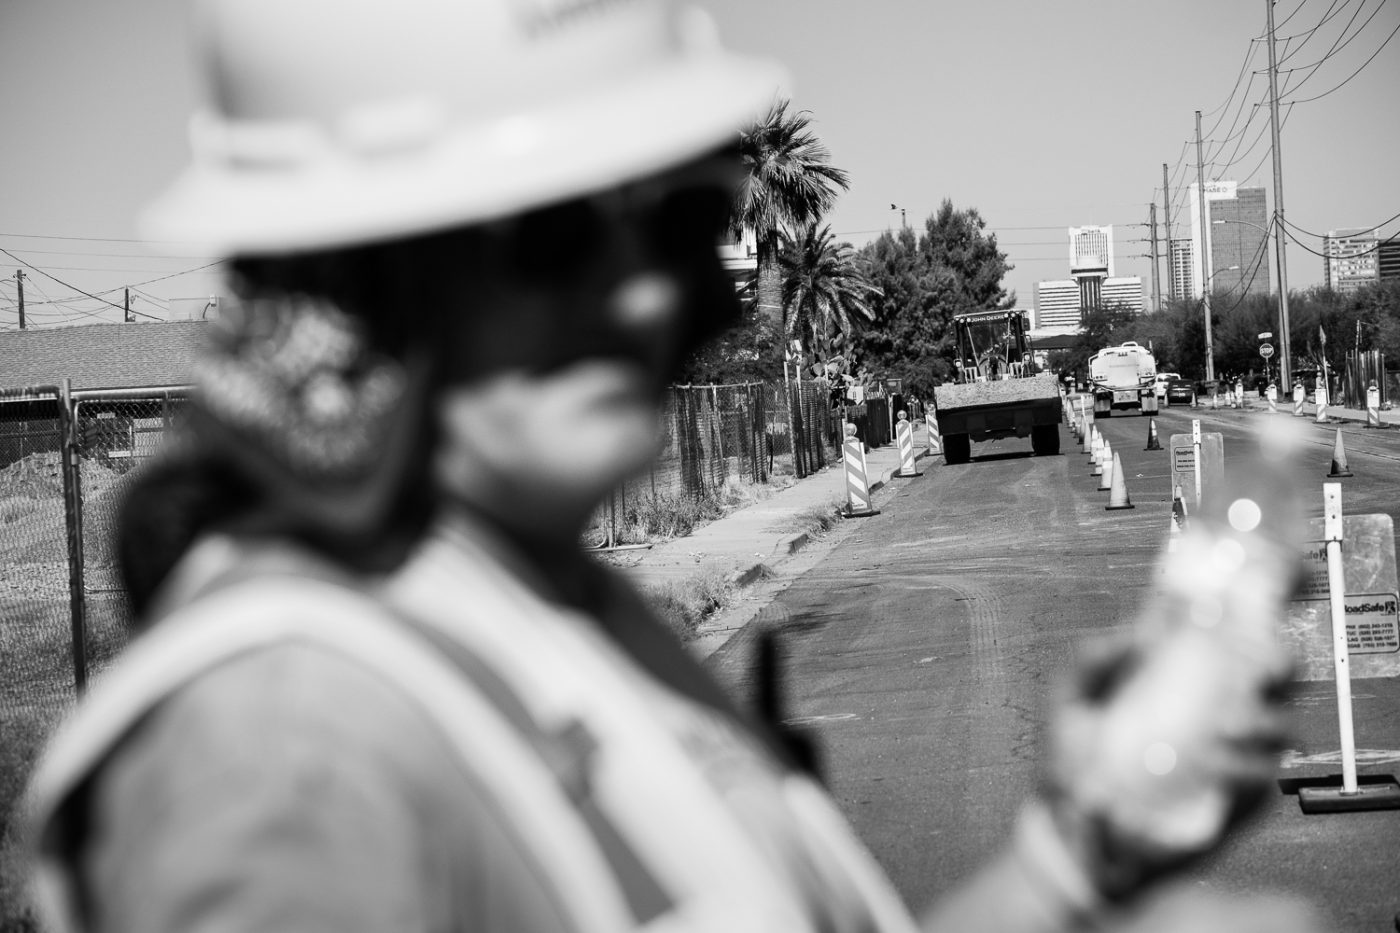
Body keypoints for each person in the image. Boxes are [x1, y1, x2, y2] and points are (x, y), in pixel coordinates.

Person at [24, 1, 1323, 931]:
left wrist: (1069, 858)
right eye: (552, 235)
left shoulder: (537, 614)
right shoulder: (284, 756)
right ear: (339, 274)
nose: (645, 296)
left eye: (681, 223)